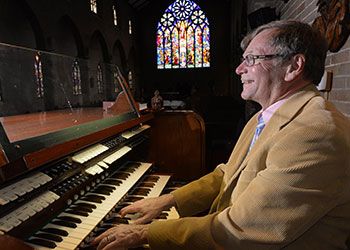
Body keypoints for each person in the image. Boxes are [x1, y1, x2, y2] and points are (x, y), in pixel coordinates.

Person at [92, 20, 350, 249]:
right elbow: (230, 173)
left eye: (252, 59)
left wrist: (145, 233)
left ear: (294, 66)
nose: (239, 69)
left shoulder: (314, 133)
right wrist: (169, 200)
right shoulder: (266, 115)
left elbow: (243, 229)